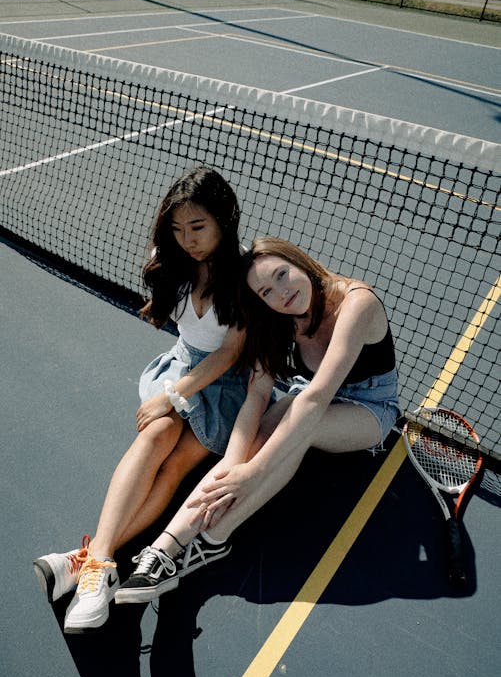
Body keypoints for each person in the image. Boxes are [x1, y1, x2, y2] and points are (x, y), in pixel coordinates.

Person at [113, 236, 400, 603]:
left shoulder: (356, 303)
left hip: (369, 409)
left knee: (296, 429)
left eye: (282, 275)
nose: (281, 293)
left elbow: (316, 398)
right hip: (306, 397)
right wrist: (233, 463)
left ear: (299, 261)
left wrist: (256, 470)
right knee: (258, 435)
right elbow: (258, 394)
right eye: (266, 291)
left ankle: (215, 538)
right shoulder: (275, 318)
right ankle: (163, 549)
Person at [33, 166, 250, 633]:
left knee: (175, 466)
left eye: (198, 227)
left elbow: (231, 353)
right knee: (157, 434)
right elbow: (189, 339)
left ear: (224, 220)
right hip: (187, 365)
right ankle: (100, 566)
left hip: (228, 382)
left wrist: (173, 393)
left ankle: (87, 560)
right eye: (178, 229)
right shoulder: (170, 261)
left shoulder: (244, 274)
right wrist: (173, 395)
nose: (187, 239)